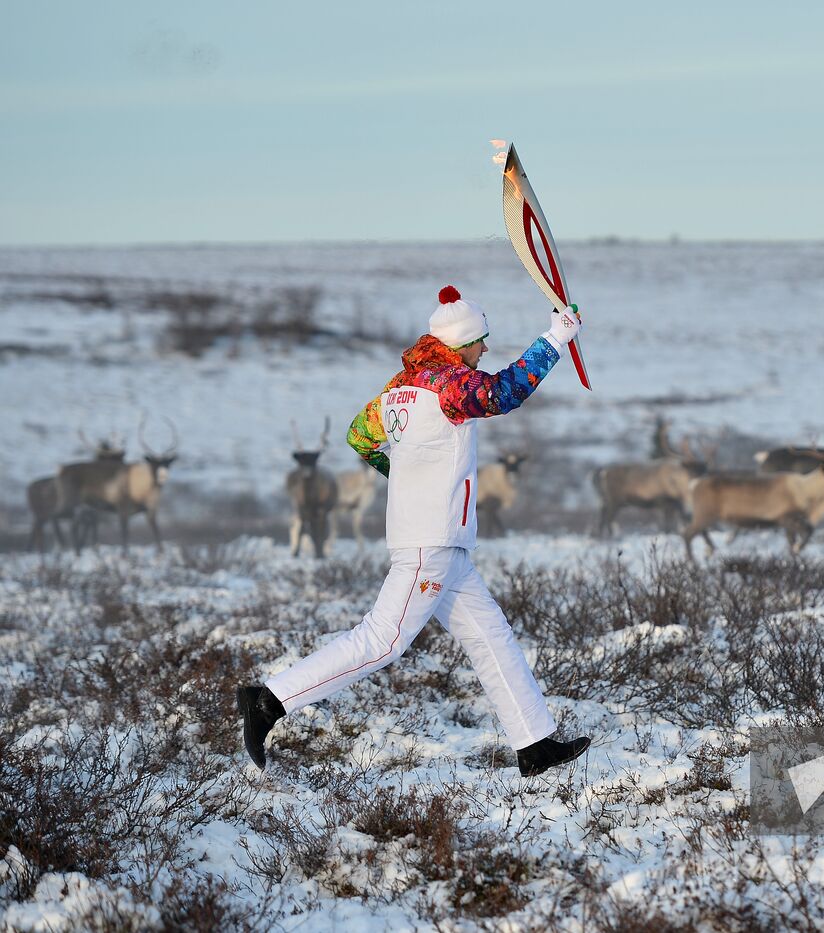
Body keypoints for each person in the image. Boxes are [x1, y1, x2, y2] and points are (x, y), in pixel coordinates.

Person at [237, 286, 590, 777]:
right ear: (462, 343)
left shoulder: (402, 386)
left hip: (439, 538)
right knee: (383, 640)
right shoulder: (449, 384)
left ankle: (535, 744)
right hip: (431, 538)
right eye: (480, 342)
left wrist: (403, 473)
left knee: (491, 636)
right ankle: (267, 702)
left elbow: (359, 434)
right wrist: (555, 337)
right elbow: (502, 392)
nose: (484, 350)